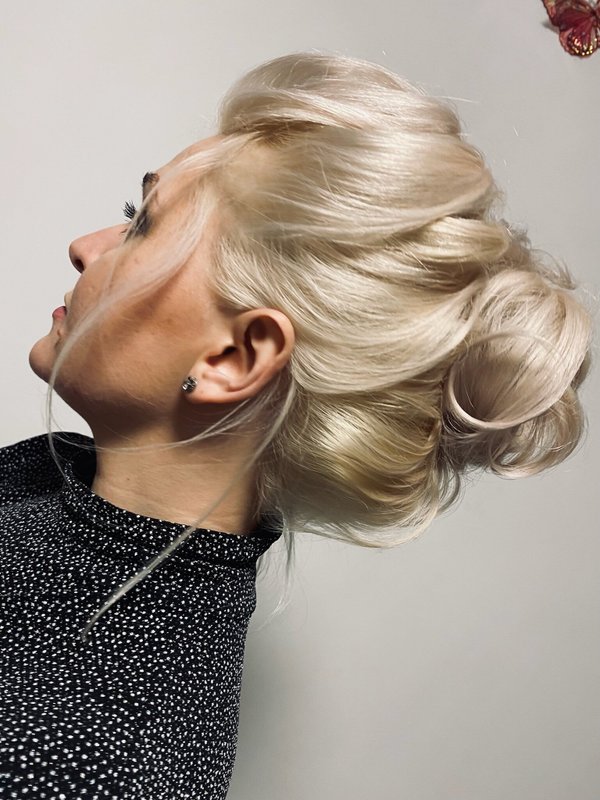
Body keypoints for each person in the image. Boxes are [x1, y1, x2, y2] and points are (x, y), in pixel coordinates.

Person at [0, 51, 592, 799]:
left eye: (140, 225)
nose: (85, 247)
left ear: (234, 357)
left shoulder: (85, 762)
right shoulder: (59, 474)